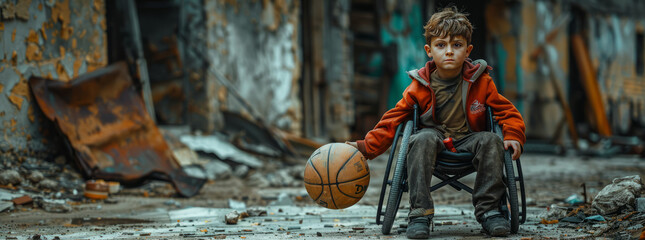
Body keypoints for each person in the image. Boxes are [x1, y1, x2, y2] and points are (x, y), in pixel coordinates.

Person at [346, 6, 526, 239]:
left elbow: (507, 111)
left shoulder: (481, 81)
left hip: (470, 141)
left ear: (468, 49)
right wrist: (365, 147)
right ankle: (420, 213)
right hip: (434, 141)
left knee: (491, 140)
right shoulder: (419, 85)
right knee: (421, 138)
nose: (449, 52)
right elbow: (393, 119)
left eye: (457, 45)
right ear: (429, 51)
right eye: (441, 46)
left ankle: (490, 211)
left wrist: (513, 136)